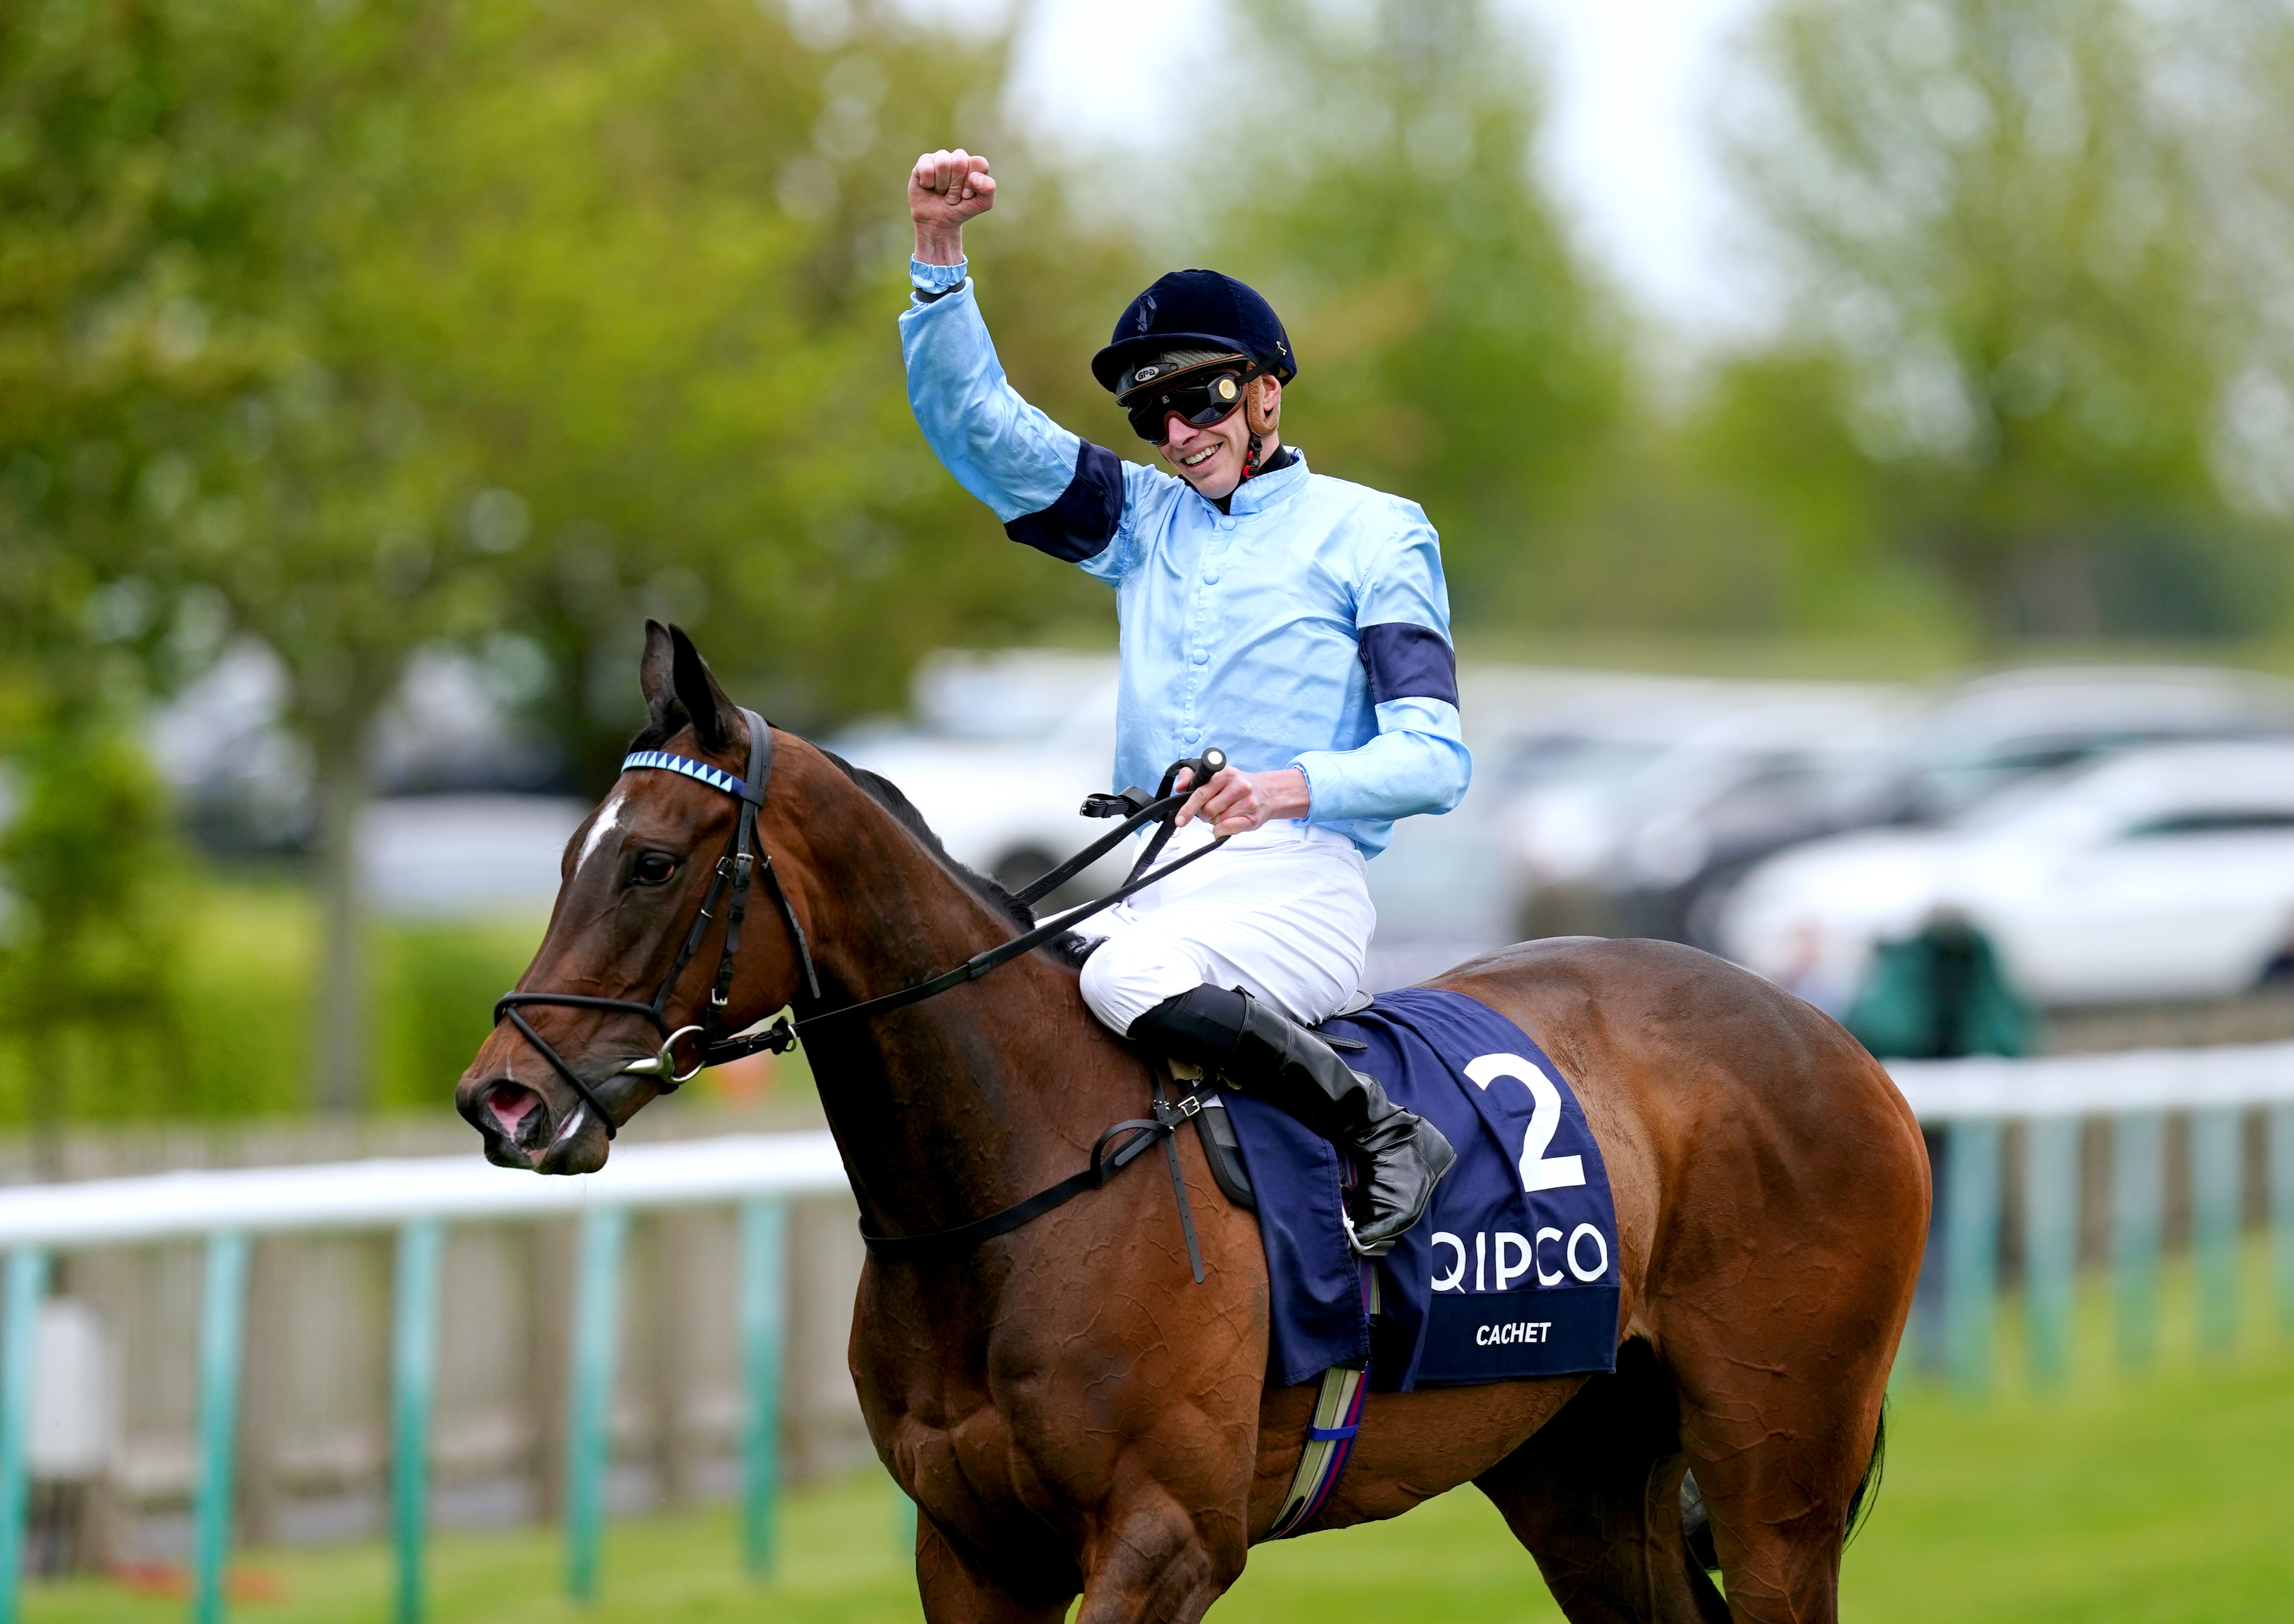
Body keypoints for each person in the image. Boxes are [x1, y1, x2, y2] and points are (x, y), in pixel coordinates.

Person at [899, 149, 1473, 1252]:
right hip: (1158, 887)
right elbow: (982, 428)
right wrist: (939, 257)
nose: (1176, 433)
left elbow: (1436, 757)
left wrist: (1282, 789)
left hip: (1300, 891)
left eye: (1199, 397)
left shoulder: (1375, 530)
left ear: (1265, 391)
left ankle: (1385, 1130)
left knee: (1125, 974)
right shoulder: (1142, 524)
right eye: (1151, 413)